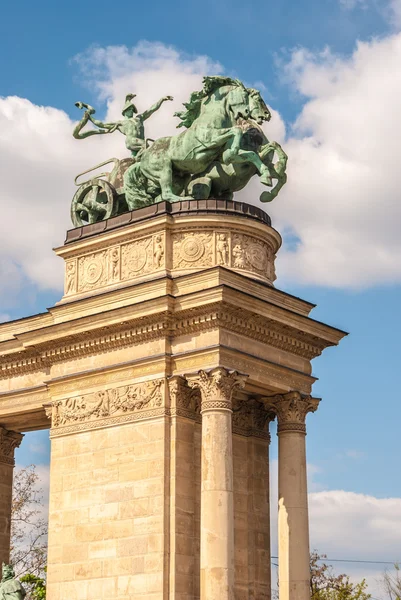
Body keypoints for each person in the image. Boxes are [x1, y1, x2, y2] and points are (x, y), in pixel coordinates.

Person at [73, 93, 173, 157]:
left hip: (138, 141)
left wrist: (161, 99)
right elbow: (102, 124)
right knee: (145, 145)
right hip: (132, 141)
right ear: (125, 111)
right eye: (129, 109)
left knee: (135, 159)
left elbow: (151, 110)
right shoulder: (120, 123)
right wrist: (89, 117)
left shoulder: (139, 118)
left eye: (132, 109)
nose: (131, 111)